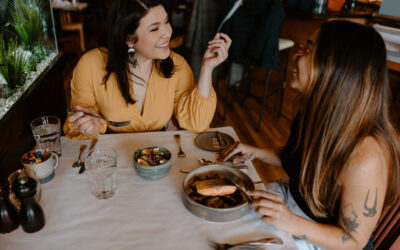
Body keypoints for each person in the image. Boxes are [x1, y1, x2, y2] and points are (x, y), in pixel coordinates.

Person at [219, 20, 399, 250]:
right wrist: (256, 152)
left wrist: (291, 222)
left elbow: (353, 242)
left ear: (336, 69)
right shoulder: (316, 110)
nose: (297, 55)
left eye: (308, 49)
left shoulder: (367, 155)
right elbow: (300, 158)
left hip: (323, 239)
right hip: (292, 207)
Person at [63, 0, 231, 139]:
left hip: (159, 157)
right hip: (112, 155)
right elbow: (77, 126)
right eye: (154, 28)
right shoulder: (90, 65)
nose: (167, 32)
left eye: (166, 22)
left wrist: (207, 69)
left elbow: (197, 123)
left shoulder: (177, 65)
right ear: (128, 38)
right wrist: (90, 126)